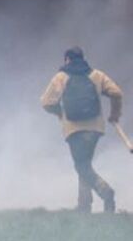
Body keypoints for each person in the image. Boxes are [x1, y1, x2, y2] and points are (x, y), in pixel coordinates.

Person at [40, 47, 123, 213]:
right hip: (95, 129)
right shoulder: (96, 75)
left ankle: (106, 191)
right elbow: (116, 92)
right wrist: (114, 114)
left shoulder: (61, 77)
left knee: (81, 166)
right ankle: (84, 205)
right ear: (84, 58)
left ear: (67, 60)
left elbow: (46, 102)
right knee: (84, 163)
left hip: (73, 129)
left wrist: (60, 112)